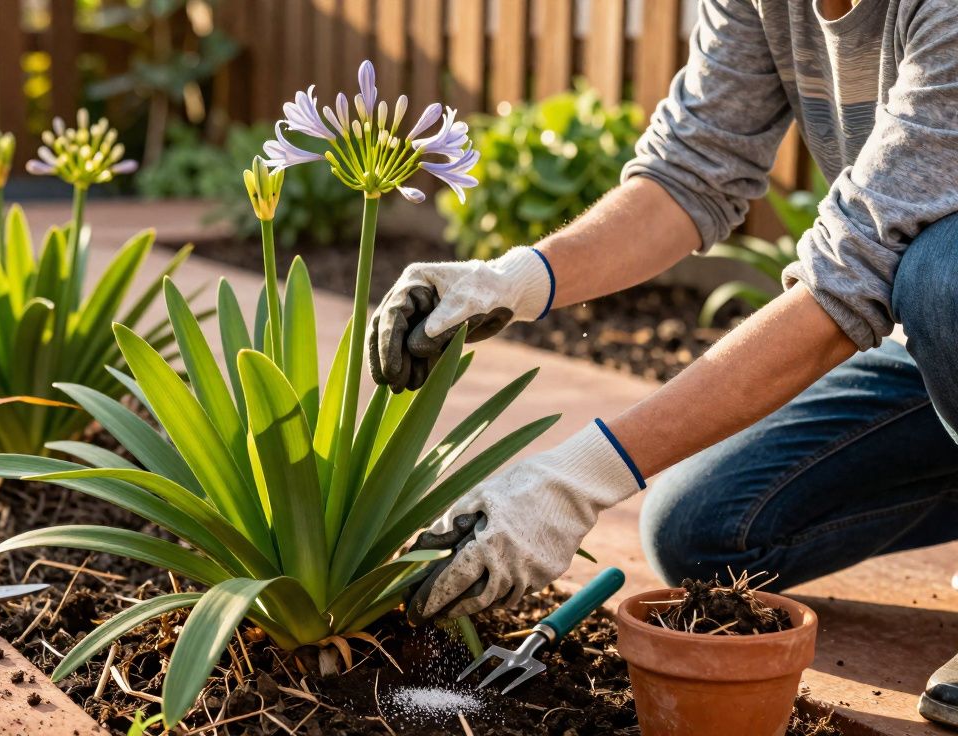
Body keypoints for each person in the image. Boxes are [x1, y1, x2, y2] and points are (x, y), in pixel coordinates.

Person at [370, 0, 958, 727]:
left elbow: (850, 281)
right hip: (935, 346)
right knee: (702, 532)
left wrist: (579, 476)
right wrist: (514, 280)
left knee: (943, 271)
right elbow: (689, 172)